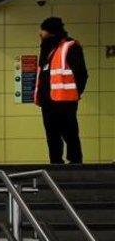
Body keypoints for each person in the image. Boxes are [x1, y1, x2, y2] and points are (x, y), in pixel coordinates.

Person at [34, 17, 88, 164]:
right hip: (48, 102)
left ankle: (75, 163)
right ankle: (55, 163)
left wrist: (75, 93)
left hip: (65, 101)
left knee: (70, 133)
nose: (40, 33)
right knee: (52, 135)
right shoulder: (47, 49)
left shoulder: (70, 47)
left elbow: (81, 74)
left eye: (42, 29)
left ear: (50, 31)